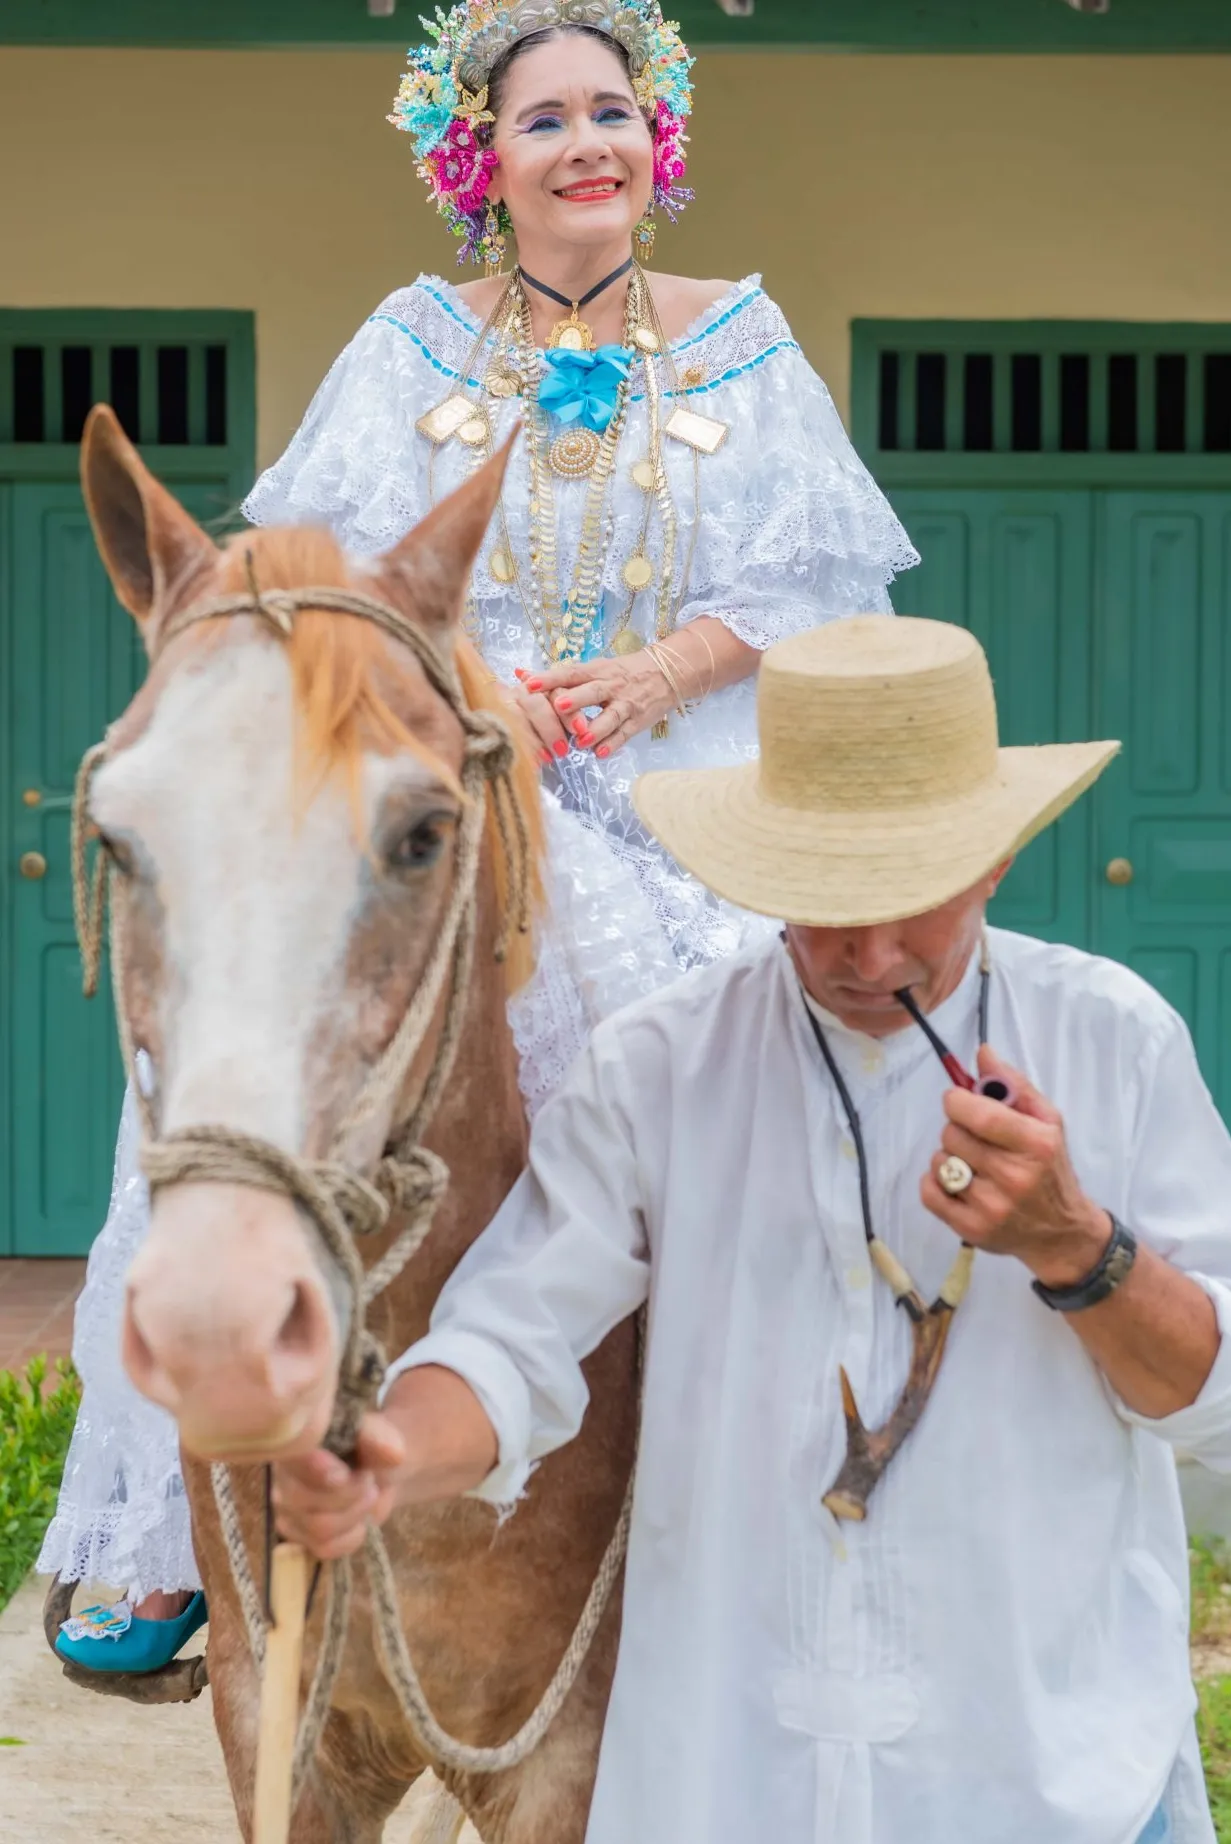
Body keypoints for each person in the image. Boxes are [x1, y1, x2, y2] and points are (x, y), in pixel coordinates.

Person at [41, 0, 916, 1672]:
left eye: (611, 109)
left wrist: (666, 669)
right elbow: (316, 577)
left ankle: (788, 1486)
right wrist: (466, 674)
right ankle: (184, 1513)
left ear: (651, 135)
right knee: (252, 1026)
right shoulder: (408, 341)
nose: (586, 143)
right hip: (456, 757)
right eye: (542, 120)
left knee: (781, 1053)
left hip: (683, 795)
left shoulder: (740, 332)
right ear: (480, 159)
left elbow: (814, 575)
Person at [274, 616, 1231, 1844]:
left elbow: (1210, 1398)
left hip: (1049, 1780)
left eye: (910, 898)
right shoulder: (663, 1066)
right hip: (732, 1782)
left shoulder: (1115, 1041)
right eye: (824, 904)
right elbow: (512, 1336)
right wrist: (388, 1454)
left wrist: (1074, 1246)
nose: (868, 950)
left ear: (993, 860)